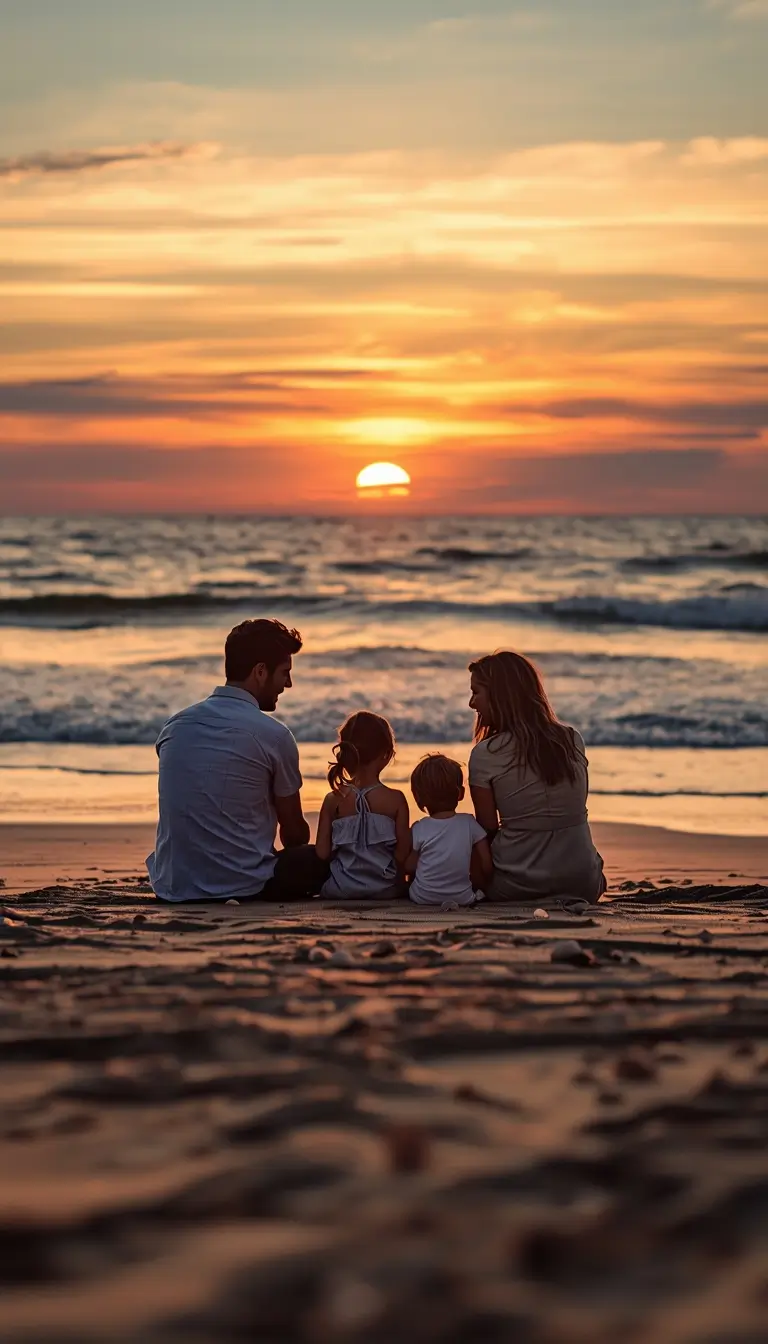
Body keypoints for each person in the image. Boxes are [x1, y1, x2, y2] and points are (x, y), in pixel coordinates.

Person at [146, 618, 327, 903]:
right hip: (244, 886)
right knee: (321, 859)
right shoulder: (275, 736)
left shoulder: (175, 726)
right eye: (284, 673)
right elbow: (294, 835)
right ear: (260, 672)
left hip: (173, 885)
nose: (288, 684)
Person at [467, 651, 606, 904]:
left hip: (516, 885)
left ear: (500, 695)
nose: (471, 703)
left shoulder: (486, 754)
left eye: (476, 692)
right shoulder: (572, 739)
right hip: (583, 883)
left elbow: (486, 831)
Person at [315, 711, 411, 899]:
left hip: (340, 889)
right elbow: (401, 856)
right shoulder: (396, 799)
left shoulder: (332, 799)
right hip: (385, 890)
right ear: (386, 754)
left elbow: (322, 852)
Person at [406, 753, 492, 907]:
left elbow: (410, 866)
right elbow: (486, 864)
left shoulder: (419, 827)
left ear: (419, 798)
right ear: (461, 794)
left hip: (421, 897)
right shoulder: (469, 823)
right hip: (464, 898)